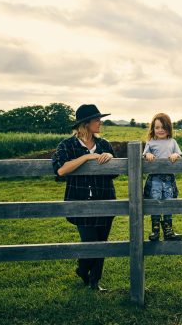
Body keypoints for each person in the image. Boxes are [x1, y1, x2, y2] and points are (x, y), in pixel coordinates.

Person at [52, 104, 117, 292]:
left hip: (105, 201)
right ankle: (83, 268)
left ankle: (95, 281)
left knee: (102, 243)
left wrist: (109, 157)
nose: (100, 122)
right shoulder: (67, 145)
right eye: (97, 120)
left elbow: (114, 174)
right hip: (80, 203)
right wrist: (87, 158)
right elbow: (61, 170)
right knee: (90, 242)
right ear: (86, 124)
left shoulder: (104, 144)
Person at [143, 113, 182, 241]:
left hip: (168, 179)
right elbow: (145, 155)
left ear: (168, 128)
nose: (160, 130)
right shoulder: (150, 142)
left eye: (163, 127)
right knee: (155, 202)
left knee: (169, 202)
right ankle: (155, 230)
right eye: (157, 127)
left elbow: (178, 153)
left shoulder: (172, 142)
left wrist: (175, 155)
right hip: (155, 178)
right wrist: (148, 155)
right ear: (153, 129)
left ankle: (168, 230)